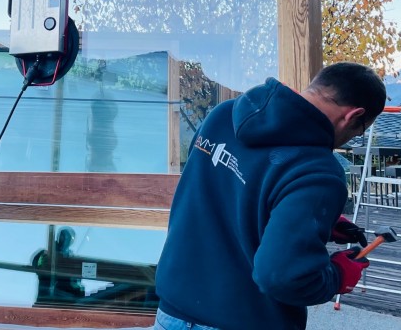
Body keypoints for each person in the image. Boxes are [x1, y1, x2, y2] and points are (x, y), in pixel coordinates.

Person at [154, 62, 386, 330]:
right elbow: (281, 276)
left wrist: (315, 219)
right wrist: (336, 276)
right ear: (353, 115)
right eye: (361, 128)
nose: (355, 135)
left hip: (172, 312)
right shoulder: (319, 171)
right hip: (244, 320)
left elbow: (229, 190)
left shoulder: (224, 115)